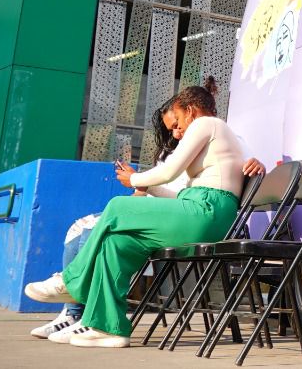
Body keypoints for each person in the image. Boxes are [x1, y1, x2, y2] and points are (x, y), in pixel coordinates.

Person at [23, 81, 250, 348]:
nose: (176, 133)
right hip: (200, 211)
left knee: (118, 206)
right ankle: (107, 327)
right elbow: (179, 195)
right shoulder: (212, 138)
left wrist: (134, 179)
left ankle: (72, 280)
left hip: (207, 212)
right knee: (115, 244)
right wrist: (147, 185)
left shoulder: (207, 123)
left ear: (190, 111)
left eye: (177, 121)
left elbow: (170, 172)